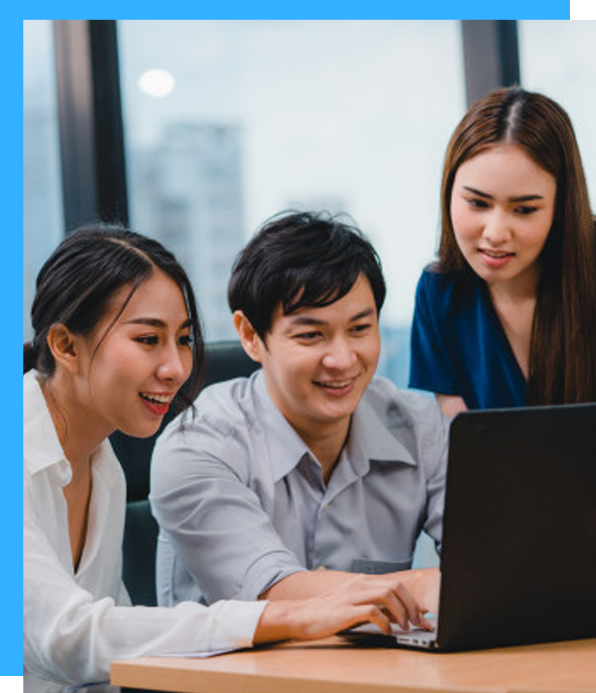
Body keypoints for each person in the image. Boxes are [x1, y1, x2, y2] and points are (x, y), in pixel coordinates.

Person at [24, 225, 432, 688]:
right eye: (147, 340)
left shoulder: (101, 462)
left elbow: (107, 645)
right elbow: (70, 638)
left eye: (182, 339)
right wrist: (288, 617)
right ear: (64, 345)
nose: (177, 368)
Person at [151, 211, 446, 616]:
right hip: (233, 676)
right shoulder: (198, 445)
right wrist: (421, 586)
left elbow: (488, 564)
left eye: (360, 329)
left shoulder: (420, 427)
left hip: (379, 676)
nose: (343, 360)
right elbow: (268, 590)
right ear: (251, 336)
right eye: (311, 335)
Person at [409, 86, 596, 416]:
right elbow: (472, 447)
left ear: (562, 207)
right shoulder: (440, 294)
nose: (495, 233)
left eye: (524, 210)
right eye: (478, 203)